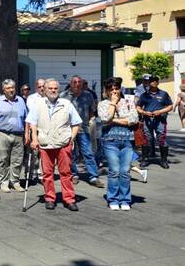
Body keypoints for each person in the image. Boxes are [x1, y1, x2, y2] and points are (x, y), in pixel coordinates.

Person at [27, 78, 82, 211]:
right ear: (44, 90)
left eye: (55, 88)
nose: (53, 90)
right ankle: (50, 198)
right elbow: (32, 123)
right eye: (50, 88)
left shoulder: (66, 103)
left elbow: (76, 123)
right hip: (45, 143)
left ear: (59, 89)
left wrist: (71, 138)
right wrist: (34, 139)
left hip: (63, 143)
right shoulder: (38, 104)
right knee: (47, 173)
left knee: (66, 172)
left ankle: (69, 199)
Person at [98, 78, 139, 211]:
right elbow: (105, 119)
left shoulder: (129, 102)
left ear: (120, 89)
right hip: (110, 142)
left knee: (125, 172)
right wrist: (113, 104)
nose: (114, 91)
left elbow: (133, 120)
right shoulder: (103, 104)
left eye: (117, 88)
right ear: (107, 91)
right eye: (111, 89)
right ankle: (113, 199)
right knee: (114, 171)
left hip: (127, 140)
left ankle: (125, 199)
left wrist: (114, 120)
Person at [60, 75, 103, 188]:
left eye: (79, 82)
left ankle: (93, 176)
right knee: (72, 154)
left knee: (88, 153)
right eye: (74, 82)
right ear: (70, 83)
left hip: (83, 129)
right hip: (68, 130)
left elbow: (92, 112)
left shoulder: (88, 95)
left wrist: (88, 124)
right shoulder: (63, 96)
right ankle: (74, 174)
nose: (77, 84)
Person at [0, 79, 28, 193]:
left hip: (18, 134)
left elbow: (26, 119)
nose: (11, 90)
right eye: (8, 88)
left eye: (13, 87)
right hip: (2, 134)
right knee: (3, 159)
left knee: (17, 159)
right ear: (4, 90)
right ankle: (4, 183)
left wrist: (27, 134)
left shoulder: (21, 101)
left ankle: (15, 181)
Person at [136, 75, 173, 169]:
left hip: (160, 120)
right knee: (146, 139)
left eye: (156, 80)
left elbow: (170, 106)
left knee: (162, 139)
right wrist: (144, 112)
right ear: (148, 83)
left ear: (158, 82)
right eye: (152, 81)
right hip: (147, 120)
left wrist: (160, 112)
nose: (154, 82)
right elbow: (138, 107)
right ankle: (145, 159)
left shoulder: (164, 94)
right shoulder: (144, 95)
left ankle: (163, 160)